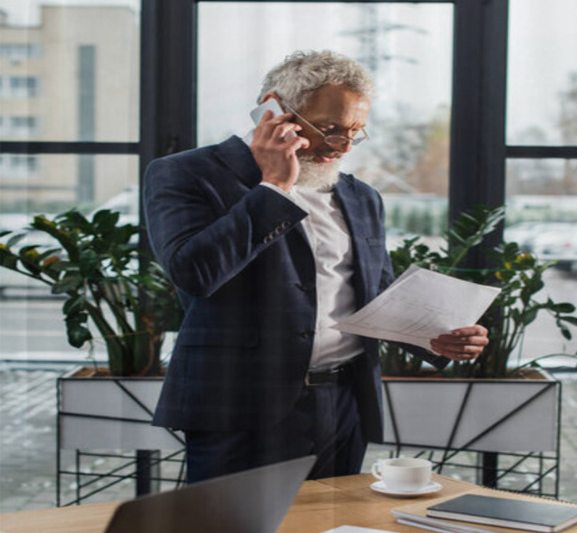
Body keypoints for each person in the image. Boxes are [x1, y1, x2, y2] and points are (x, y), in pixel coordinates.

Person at [144, 50, 488, 484]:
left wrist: (435, 338)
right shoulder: (186, 174)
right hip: (238, 407)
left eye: (355, 132)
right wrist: (273, 187)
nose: (342, 145)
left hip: (344, 403)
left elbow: (373, 293)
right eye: (329, 128)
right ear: (274, 109)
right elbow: (194, 273)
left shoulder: (362, 196)